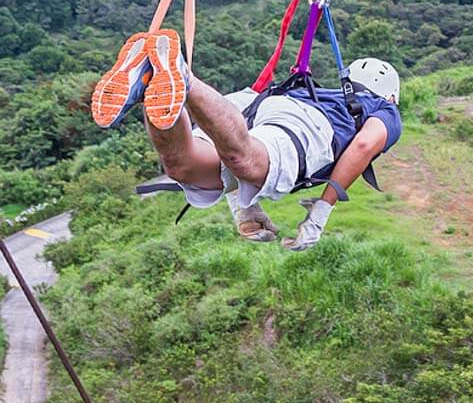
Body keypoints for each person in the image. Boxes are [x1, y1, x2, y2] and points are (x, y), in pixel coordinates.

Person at [90, 28, 402, 250]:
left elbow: (232, 159)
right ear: (390, 94)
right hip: (303, 123)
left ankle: (152, 80)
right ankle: (182, 77)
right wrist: (319, 215)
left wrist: (245, 208)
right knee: (247, 160)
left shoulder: (327, 93)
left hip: (254, 103)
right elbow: (364, 145)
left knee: (182, 165)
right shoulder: (385, 108)